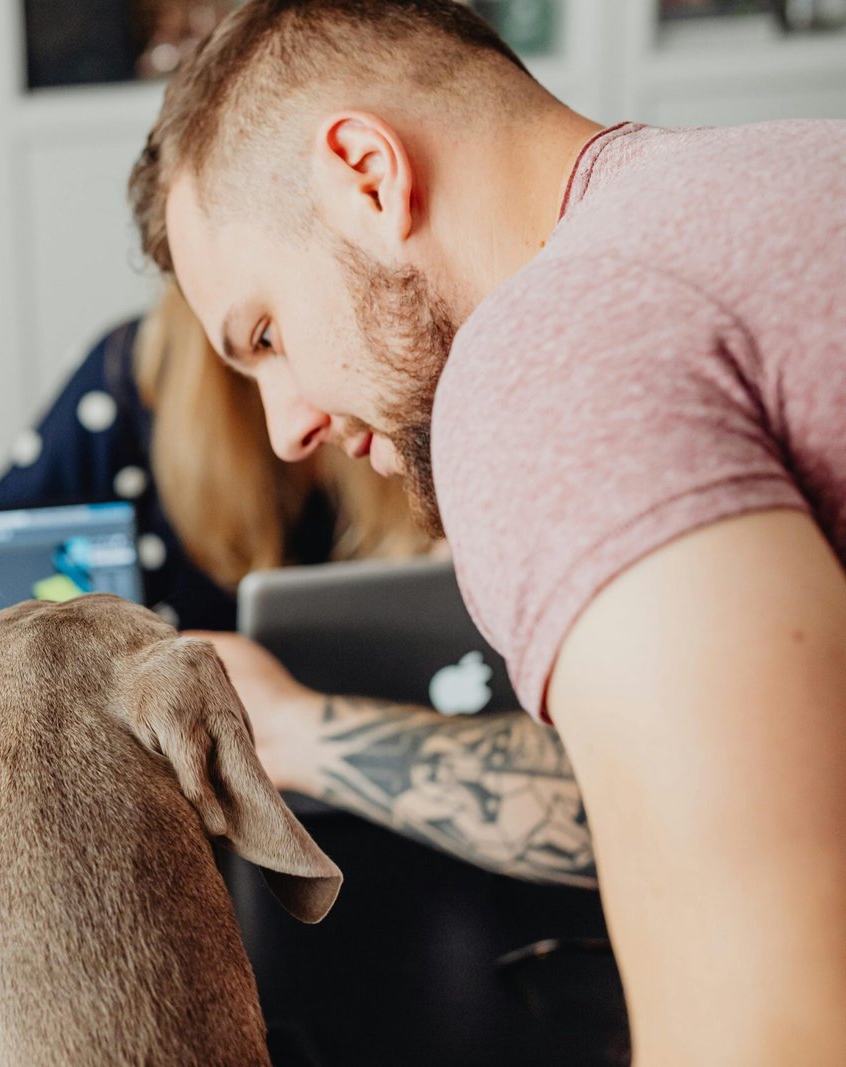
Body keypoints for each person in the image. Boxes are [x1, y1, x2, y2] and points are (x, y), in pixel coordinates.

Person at [128, 1, 846, 1063]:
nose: (288, 429)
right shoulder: (790, 168)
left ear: (367, 175)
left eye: (268, 332)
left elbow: (766, 1030)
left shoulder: (544, 358)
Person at [0, 281, 597, 887]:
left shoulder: (479, 373)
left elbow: (614, 778)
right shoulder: (129, 382)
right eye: (256, 342)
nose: (290, 431)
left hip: (452, 865)